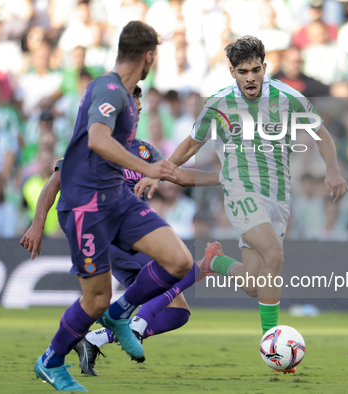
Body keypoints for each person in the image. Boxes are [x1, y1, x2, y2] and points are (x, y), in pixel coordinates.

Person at [137, 36, 348, 360]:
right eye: (242, 71)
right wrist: (156, 171)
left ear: (265, 67)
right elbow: (191, 145)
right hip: (240, 193)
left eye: (255, 69)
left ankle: (215, 262)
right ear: (232, 72)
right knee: (274, 254)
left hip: (278, 196)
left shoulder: (289, 98)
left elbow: (321, 134)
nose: (250, 77)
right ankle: (273, 344)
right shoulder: (218, 104)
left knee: (254, 284)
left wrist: (332, 170)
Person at [30, 21, 192, 391]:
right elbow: (98, 140)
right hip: (85, 206)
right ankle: (51, 361)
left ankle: (121, 313)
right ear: (149, 56)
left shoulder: (124, 94)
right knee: (96, 298)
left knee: (179, 261)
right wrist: (147, 168)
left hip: (116, 198)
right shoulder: (107, 88)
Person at [22, 83, 219, 384]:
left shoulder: (144, 151)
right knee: (178, 268)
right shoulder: (91, 144)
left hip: (131, 229)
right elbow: (54, 184)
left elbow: (178, 175)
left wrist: (223, 178)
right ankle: (112, 322)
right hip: (107, 233)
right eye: (132, 113)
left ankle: (99, 335)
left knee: (178, 312)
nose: (135, 119)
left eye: (139, 113)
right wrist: (37, 224)